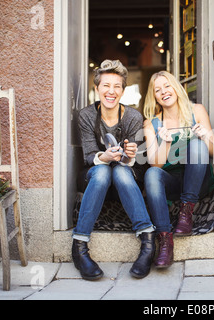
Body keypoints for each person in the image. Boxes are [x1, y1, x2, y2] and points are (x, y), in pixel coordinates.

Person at [73, 59, 155, 280]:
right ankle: (79, 247)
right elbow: (89, 156)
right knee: (102, 171)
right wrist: (105, 157)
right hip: (95, 179)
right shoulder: (87, 115)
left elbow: (140, 163)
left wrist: (129, 156)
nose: (111, 91)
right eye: (106, 85)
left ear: (123, 90)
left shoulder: (133, 117)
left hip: (125, 181)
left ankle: (148, 243)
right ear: (97, 88)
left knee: (118, 171)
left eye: (117, 86)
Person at [142, 71, 214, 268]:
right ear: (154, 97)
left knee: (198, 145)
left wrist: (205, 136)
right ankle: (165, 240)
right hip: (173, 183)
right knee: (151, 174)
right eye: (158, 90)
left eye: (167, 86)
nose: (164, 92)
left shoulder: (197, 111)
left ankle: (186, 213)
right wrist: (165, 143)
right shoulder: (151, 124)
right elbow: (154, 164)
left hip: (197, 182)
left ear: (176, 87)